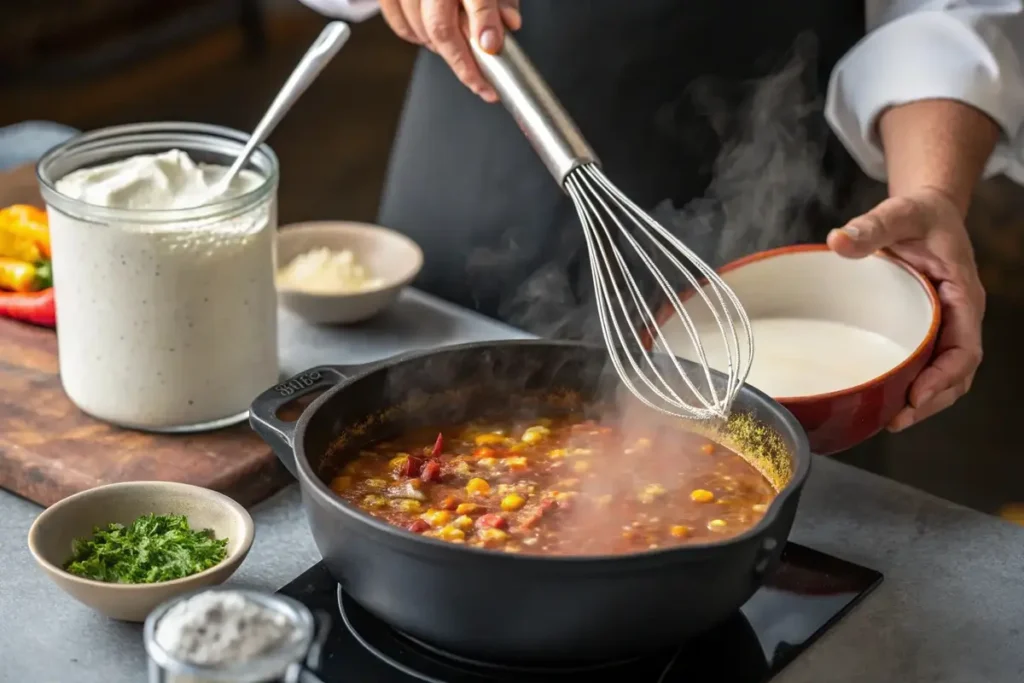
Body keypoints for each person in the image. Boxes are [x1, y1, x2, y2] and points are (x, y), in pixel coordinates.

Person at [302, 0, 1024, 433]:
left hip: (795, 231)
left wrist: (931, 191)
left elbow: (949, 12)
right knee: (421, 426)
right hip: (481, 162)